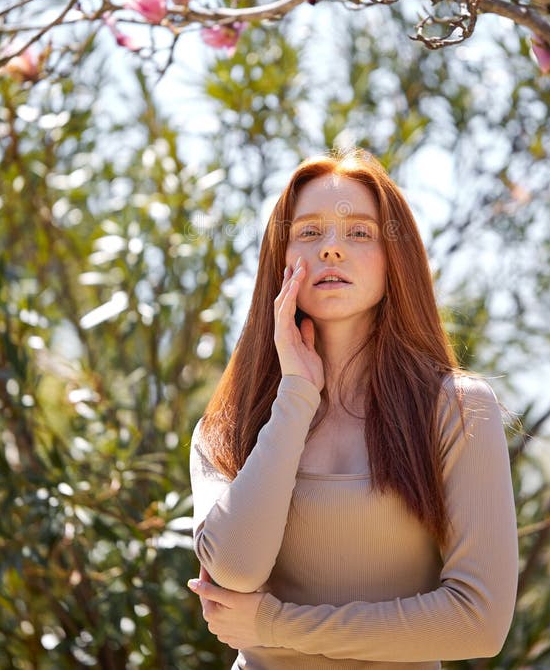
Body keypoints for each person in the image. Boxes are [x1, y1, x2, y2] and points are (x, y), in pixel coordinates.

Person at [187, 147, 518, 669]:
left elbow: (479, 621)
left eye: (360, 233)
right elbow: (236, 570)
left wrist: (273, 624)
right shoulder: (226, 425)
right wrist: (296, 394)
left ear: (395, 261)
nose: (332, 250)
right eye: (310, 233)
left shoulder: (456, 410)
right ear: (281, 260)